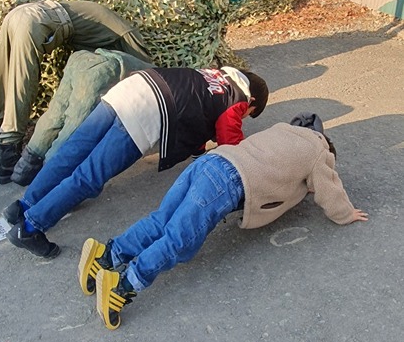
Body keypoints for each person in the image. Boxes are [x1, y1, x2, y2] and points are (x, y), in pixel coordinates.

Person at [75, 113, 368, 330]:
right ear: (327, 147)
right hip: (227, 182)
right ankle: (121, 287)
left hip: (211, 161)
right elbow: (330, 191)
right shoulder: (319, 152)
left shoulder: (284, 130)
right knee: (179, 241)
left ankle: (106, 256)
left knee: (160, 220)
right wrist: (346, 214)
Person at [4, 66, 269, 257]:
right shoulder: (238, 99)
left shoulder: (215, 75)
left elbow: (195, 112)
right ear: (252, 100)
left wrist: (198, 152)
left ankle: (25, 204)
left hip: (130, 88)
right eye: (250, 114)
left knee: (70, 153)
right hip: (144, 115)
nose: (244, 116)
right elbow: (231, 144)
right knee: (89, 177)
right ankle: (30, 227)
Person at [0, 0, 152, 183]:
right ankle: (8, 151)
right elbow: (143, 70)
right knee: (22, 79)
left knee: (0, 70)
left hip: (22, 13)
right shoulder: (127, 35)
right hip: (36, 20)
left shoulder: (96, 27)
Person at [11, 48, 153, 186]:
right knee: (75, 123)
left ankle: (23, 169)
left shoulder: (154, 71)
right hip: (103, 69)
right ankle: (51, 176)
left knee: (56, 113)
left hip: (81, 58)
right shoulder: (158, 81)